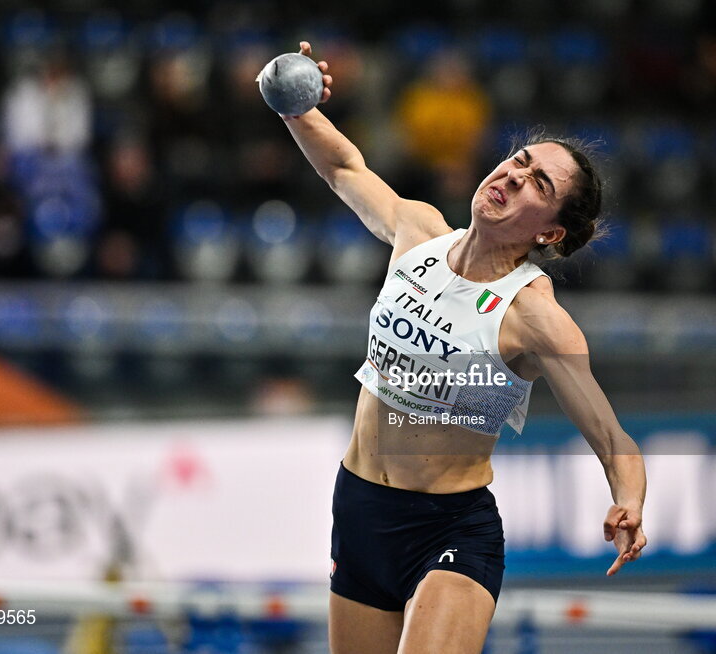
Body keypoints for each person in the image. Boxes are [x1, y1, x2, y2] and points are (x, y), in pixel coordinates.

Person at [264, 42, 647, 654]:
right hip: (360, 508)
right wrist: (292, 102)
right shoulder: (418, 230)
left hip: (450, 529)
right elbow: (344, 168)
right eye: (517, 161)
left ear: (549, 231)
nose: (513, 176)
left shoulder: (536, 318)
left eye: (536, 183)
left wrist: (628, 501)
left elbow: (612, 439)